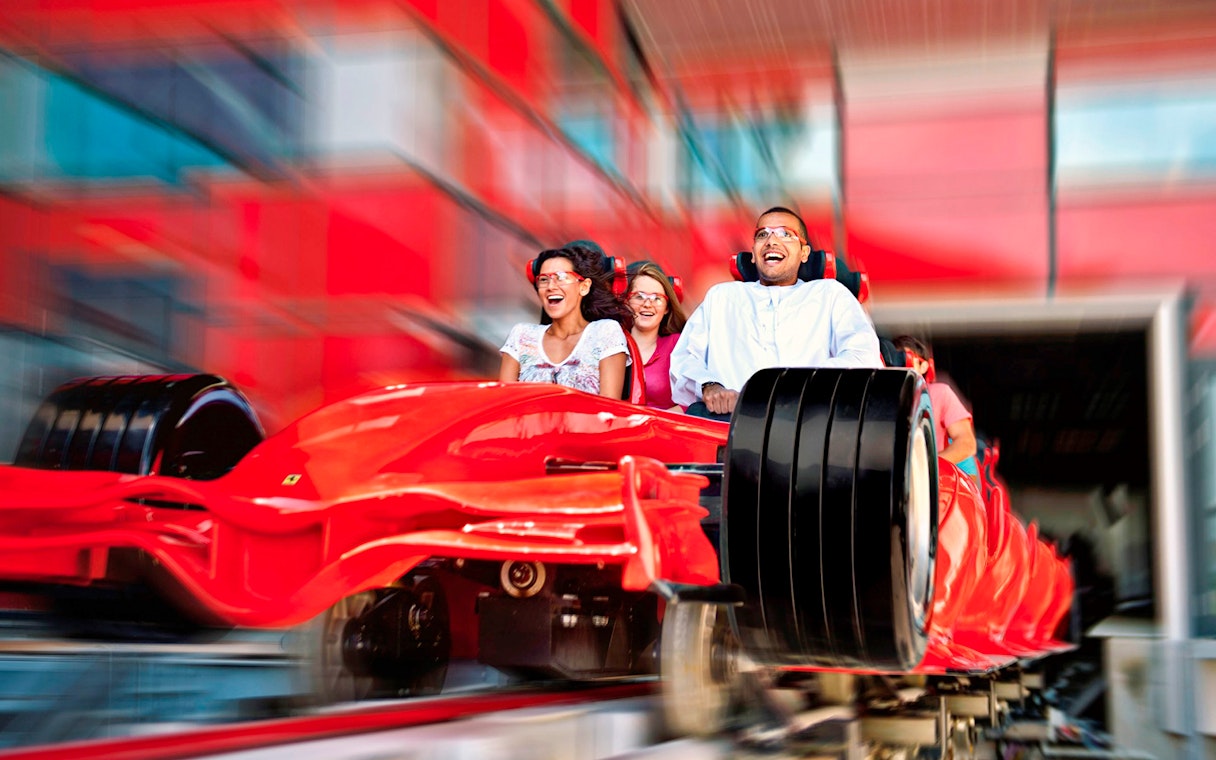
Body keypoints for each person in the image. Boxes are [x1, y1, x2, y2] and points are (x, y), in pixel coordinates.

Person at [669, 206, 883, 419]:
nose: (772, 241)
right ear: (753, 253)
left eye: (785, 234)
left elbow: (863, 357)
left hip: (807, 424)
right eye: (763, 234)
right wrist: (709, 386)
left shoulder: (830, 294)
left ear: (804, 253)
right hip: (729, 425)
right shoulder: (722, 297)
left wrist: (799, 385)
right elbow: (685, 358)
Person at [500, 245, 634, 397]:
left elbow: (609, 410)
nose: (550, 286)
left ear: (584, 287)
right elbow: (504, 403)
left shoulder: (605, 332)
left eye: (561, 277)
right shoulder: (521, 336)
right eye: (544, 279)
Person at [893, 335, 979, 481]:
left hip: (933, 481)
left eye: (904, 359)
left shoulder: (940, 392)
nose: (899, 365)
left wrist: (927, 466)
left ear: (924, 366)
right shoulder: (883, 398)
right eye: (894, 359)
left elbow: (967, 443)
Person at [625, 261, 687, 411]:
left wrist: (655, 422)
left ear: (667, 307)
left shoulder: (678, 344)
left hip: (663, 430)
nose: (647, 304)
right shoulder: (611, 341)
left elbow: (691, 400)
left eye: (657, 298)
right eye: (639, 296)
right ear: (626, 301)